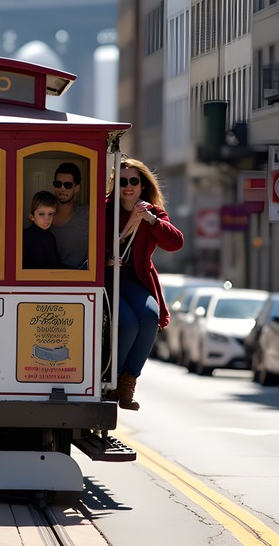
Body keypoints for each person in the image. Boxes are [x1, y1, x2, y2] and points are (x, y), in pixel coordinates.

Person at [104, 158, 183, 410]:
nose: (128, 187)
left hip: (136, 278)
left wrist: (150, 220)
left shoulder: (153, 211)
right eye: (123, 181)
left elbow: (175, 243)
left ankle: (128, 382)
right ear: (116, 185)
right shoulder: (106, 208)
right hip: (107, 278)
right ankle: (111, 380)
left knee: (150, 316)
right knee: (126, 323)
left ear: (142, 185)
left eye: (134, 181)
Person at [48, 161, 89, 269]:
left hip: (80, 281)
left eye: (68, 185)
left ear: (77, 188)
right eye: (58, 184)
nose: (62, 188)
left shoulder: (88, 215)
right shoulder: (43, 215)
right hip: (49, 280)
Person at [22, 190, 61, 269]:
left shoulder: (51, 238)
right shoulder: (24, 236)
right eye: (41, 214)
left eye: (51, 214)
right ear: (31, 216)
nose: (47, 218)